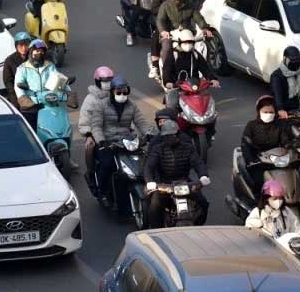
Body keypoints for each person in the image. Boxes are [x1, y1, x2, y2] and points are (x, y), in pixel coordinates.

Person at [86, 77, 150, 206]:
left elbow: (141, 122)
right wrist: (101, 141)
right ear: (112, 92)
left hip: (127, 142)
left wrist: (149, 133)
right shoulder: (101, 105)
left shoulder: (132, 106)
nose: (122, 95)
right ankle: (103, 192)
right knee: (107, 165)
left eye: (125, 92)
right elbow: (96, 126)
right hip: (108, 143)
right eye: (118, 92)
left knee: (144, 162)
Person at [143, 110, 210, 227]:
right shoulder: (157, 148)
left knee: (203, 202)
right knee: (155, 208)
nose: (170, 138)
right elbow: (149, 166)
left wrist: (203, 175)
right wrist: (150, 182)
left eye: (173, 135)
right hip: (164, 184)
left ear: (178, 134)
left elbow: (198, 163)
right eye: (167, 136)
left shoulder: (188, 147)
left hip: (184, 182)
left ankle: (199, 224)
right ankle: (154, 232)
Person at [240, 95, 298, 187]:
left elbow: (285, 140)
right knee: (259, 183)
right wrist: (250, 160)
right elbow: (245, 144)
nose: (268, 114)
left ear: (275, 113)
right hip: (258, 162)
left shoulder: (279, 125)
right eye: (265, 112)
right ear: (259, 112)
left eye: (271, 112)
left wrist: (289, 146)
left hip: (275, 160)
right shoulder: (251, 125)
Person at [154, 0, 209, 70]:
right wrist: (163, 31)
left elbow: (199, 19)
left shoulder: (191, 6)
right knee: (167, 47)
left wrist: (205, 28)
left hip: (188, 33)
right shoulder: (165, 5)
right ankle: (165, 70)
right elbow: (160, 20)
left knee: (201, 47)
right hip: (171, 35)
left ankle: (202, 71)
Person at [160, 27, 218, 106]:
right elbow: (166, 69)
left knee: (208, 105)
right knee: (172, 106)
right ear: (180, 42)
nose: (188, 45)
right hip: (177, 88)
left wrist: (213, 79)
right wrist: (168, 82)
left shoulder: (195, 54)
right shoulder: (173, 54)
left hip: (194, 87)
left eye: (190, 42)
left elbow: (205, 68)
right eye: (185, 42)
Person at [13, 40, 57, 126]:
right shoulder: (22, 68)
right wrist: (23, 98)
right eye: (37, 51)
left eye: (42, 51)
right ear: (30, 52)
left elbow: (57, 80)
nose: (40, 53)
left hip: (48, 103)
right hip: (31, 106)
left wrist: (67, 93)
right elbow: (18, 86)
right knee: (31, 132)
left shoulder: (50, 66)